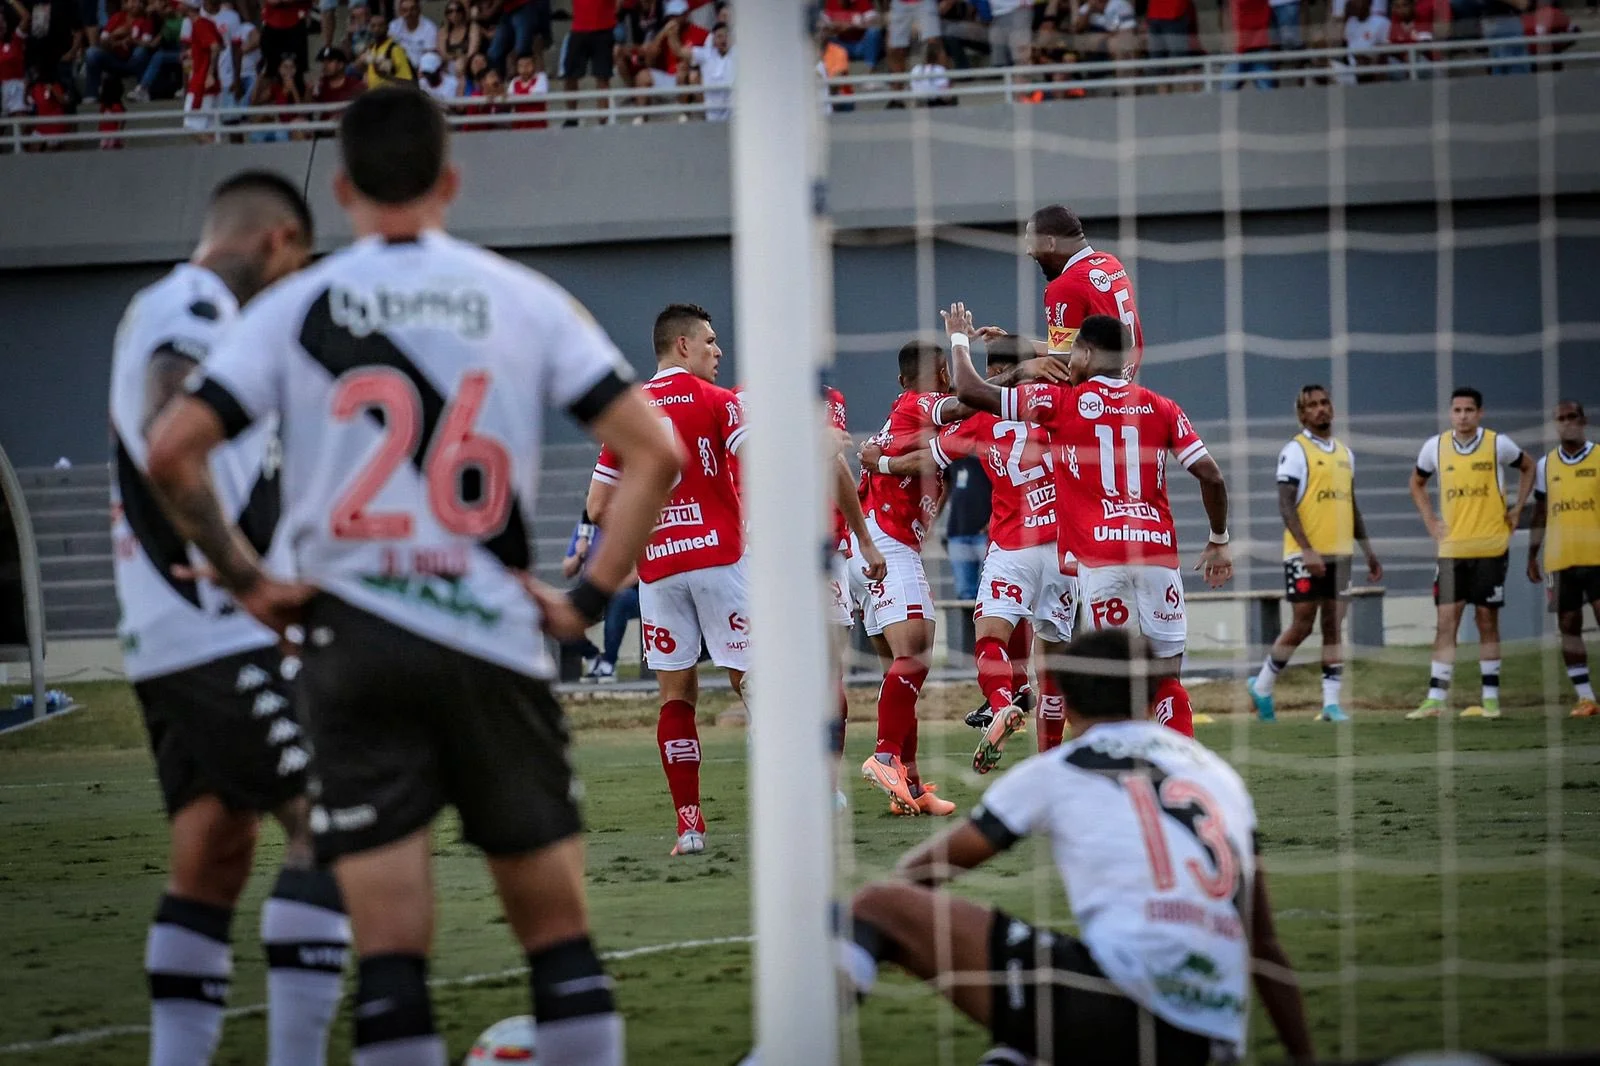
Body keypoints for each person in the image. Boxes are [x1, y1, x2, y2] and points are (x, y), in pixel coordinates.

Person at [143, 88, 679, 1066]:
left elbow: (172, 449)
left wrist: (253, 581)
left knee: (390, 961)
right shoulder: (519, 295)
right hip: (491, 634)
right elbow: (652, 452)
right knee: (558, 941)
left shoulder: (298, 303)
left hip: (353, 646)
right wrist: (591, 599)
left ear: (341, 188)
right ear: (450, 180)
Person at [109, 170, 349, 1066]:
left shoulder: (173, 307)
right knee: (331, 819)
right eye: (299, 267)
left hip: (178, 632)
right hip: (214, 628)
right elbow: (170, 427)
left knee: (214, 849)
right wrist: (244, 575)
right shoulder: (196, 305)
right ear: (279, 242)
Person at [841, 628, 1316, 1066]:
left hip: (1122, 1004)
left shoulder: (1060, 768)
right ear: (1153, 697)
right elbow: (1265, 943)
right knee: (1019, 1050)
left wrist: (891, 943)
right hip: (1213, 1039)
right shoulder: (1218, 776)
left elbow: (926, 872)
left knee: (879, 905)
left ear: (1063, 702)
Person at [945, 305, 1234, 738]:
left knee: (1114, 681)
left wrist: (958, 339)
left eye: (1072, 352)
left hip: (1100, 562)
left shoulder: (1059, 403)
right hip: (1157, 555)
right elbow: (1210, 474)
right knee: (1167, 680)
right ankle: (1180, 772)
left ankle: (1115, 772)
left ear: (1084, 353)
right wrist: (1217, 538)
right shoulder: (1161, 406)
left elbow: (968, 390)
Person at [863, 336, 1075, 772]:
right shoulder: (1063, 400)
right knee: (1052, 671)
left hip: (1012, 545)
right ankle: (1051, 764)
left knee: (989, 638)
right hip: (1064, 550)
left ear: (990, 375)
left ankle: (1000, 702)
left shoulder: (980, 418)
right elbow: (1083, 356)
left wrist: (878, 463)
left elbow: (927, 458)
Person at [586, 303, 750, 857]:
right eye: (710, 341)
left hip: (661, 572)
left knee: (674, 698)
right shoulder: (721, 402)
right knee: (755, 685)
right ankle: (796, 807)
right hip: (722, 561)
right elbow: (760, 466)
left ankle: (690, 829)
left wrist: (642, 539)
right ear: (683, 346)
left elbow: (596, 503)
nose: (718, 351)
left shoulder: (627, 412)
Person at [855, 340, 960, 818]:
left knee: (898, 669)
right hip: (888, 540)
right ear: (941, 372)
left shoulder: (907, 413)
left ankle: (910, 786)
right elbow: (968, 403)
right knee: (917, 652)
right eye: (948, 370)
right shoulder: (924, 404)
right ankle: (884, 757)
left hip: (877, 539)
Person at [1248, 384, 1382, 723]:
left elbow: (1351, 506)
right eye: (1312, 405)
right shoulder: (1295, 451)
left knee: (1334, 626)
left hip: (1340, 555)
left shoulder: (1345, 455)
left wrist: (1368, 552)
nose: (1321, 409)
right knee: (1303, 623)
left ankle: (1331, 705)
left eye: (1325, 403)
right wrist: (1307, 550)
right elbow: (1285, 504)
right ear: (1302, 414)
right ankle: (1262, 685)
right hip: (1303, 555)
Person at [1406, 386, 1534, 720]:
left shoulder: (1497, 444)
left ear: (1480, 413)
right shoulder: (1435, 447)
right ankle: (1435, 698)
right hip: (1452, 550)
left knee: (1486, 619)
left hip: (1490, 547)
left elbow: (1529, 467)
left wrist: (1517, 509)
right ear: (1451, 414)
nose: (1463, 416)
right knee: (1446, 620)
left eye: (1469, 410)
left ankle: (1490, 698)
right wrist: (1431, 520)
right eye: (1457, 410)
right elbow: (1416, 483)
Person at [976, 204, 1146, 382]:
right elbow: (1069, 350)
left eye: (1031, 243)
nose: (1029, 251)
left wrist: (1020, 370)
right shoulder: (1111, 263)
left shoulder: (1064, 287)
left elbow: (1063, 365)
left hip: (1094, 397)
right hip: (1124, 384)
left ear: (1050, 243)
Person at [1527, 400, 1600, 718]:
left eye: (1572, 417)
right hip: (1561, 559)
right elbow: (1541, 513)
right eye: (1560, 419)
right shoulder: (1545, 465)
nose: (1567, 423)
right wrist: (1532, 554)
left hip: (1597, 556)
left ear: (1583, 420)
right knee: (1569, 627)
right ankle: (1586, 698)